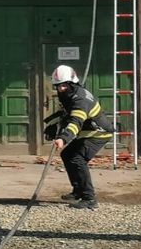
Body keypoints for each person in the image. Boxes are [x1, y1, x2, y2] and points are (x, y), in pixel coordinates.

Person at [43, 64, 113, 209]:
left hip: (98, 133)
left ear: (71, 83)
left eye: (63, 85)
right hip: (87, 132)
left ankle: (89, 198)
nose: (60, 89)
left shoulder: (81, 100)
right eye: (58, 86)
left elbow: (76, 121)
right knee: (67, 155)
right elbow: (66, 114)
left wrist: (63, 138)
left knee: (77, 158)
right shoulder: (71, 95)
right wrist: (53, 125)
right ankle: (78, 191)